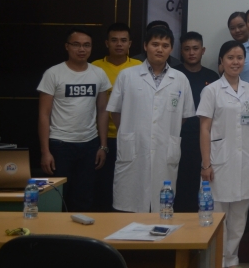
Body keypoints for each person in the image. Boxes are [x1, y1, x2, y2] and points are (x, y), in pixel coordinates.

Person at [107, 25, 196, 212]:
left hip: (165, 148)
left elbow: (184, 116)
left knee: (161, 207)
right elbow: (115, 111)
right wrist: (131, 132)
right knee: (129, 206)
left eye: (165, 45)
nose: (160, 49)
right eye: (155, 44)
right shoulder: (127, 75)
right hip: (134, 148)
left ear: (171, 49)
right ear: (145, 46)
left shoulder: (180, 79)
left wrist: (162, 129)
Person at [198, 41, 249, 267]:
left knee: (239, 216)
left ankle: (231, 259)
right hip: (219, 161)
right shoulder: (212, 90)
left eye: (239, 58)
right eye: (230, 58)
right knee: (217, 214)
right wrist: (206, 164)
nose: (235, 62)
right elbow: (204, 128)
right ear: (221, 61)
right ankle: (216, 260)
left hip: (245, 160)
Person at [37, 27, 111, 212]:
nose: (82, 49)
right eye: (76, 44)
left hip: (89, 144)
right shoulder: (53, 73)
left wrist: (103, 146)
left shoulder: (98, 73)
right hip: (60, 144)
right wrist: (45, 151)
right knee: (58, 198)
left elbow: (103, 110)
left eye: (87, 45)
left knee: (84, 197)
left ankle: (80, 230)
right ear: (67, 46)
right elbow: (44, 114)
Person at [91, 23, 142, 211]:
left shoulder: (139, 67)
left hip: (133, 138)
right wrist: (102, 144)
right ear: (107, 43)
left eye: (123, 40)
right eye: (114, 40)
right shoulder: (95, 67)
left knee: (130, 186)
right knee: (104, 187)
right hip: (103, 138)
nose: (119, 44)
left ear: (130, 43)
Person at [174, 32, 219, 213]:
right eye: (187, 49)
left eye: (195, 48)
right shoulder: (174, 74)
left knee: (201, 182)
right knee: (180, 181)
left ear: (203, 50)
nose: (191, 53)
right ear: (181, 51)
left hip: (205, 138)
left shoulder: (212, 76)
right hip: (179, 136)